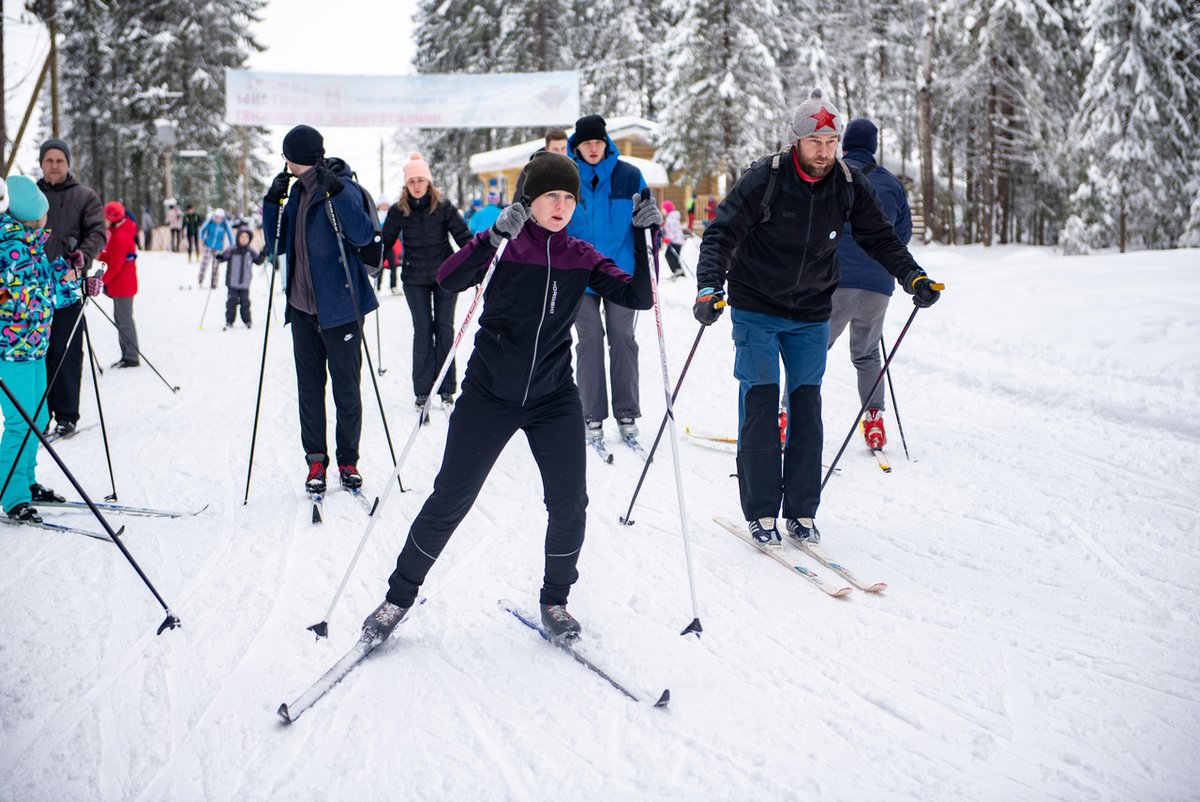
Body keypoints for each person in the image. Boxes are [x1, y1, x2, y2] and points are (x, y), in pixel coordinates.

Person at [360, 152, 661, 645]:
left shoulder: (580, 256)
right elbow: (449, 278)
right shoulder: (505, 247)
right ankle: (398, 597)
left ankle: (555, 601)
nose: (561, 205)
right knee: (451, 498)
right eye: (551, 196)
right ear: (530, 199)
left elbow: (638, 298)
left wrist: (645, 239)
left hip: (553, 397)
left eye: (568, 197)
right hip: (488, 393)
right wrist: (492, 236)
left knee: (570, 503)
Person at [693, 89, 942, 547]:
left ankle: (802, 512)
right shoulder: (764, 179)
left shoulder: (848, 183)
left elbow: (882, 238)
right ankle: (762, 511)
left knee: (807, 409)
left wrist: (914, 277)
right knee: (763, 406)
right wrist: (710, 286)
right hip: (756, 308)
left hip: (811, 311)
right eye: (816, 141)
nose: (824, 150)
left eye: (831, 140)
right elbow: (720, 234)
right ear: (796, 141)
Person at [262, 124, 380, 493]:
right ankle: (316, 461)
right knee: (309, 390)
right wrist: (271, 203)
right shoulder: (295, 193)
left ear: (293, 158)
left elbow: (363, 235)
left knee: (346, 388)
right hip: (301, 309)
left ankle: (348, 460)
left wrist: (339, 192)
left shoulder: (342, 186)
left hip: (342, 308)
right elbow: (275, 245)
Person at [0, 176, 94, 522]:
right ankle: (12, 495)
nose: (48, 217)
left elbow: (46, 286)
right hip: (12, 350)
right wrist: (61, 287)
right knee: (19, 423)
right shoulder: (9, 246)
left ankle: (26, 480)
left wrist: (76, 279)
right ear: (30, 214)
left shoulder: (28, 244)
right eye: (43, 211)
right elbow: (27, 297)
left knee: (37, 418)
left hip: (34, 346)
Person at [827, 118, 913, 451]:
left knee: (810, 351)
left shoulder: (832, 176)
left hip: (834, 280)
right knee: (866, 355)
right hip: (878, 283)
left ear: (845, 144)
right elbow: (900, 237)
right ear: (874, 147)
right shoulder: (891, 183)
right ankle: (874, 420)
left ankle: (786, 416)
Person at [566, 114, 650, 444]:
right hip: (579, 274)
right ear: (577, 145)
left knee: (622, 337)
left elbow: (645, 223)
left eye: (598, 142)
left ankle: (627, 411)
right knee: (589, 339)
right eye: (587, 143)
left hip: (620, 273)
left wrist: (651, 224)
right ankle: (591, 413)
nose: (593, 148)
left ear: (606, 143)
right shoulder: (567, 176)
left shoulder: (629, 175)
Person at [381, 153, 471, 409]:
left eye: (421, 180)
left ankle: (446, 388)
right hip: (414, 278)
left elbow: (463, 237)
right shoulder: (400, 210)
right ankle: (422, 390)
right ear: (406, 185)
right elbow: (386, 240)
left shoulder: (443, 206)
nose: (417, 185)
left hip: (445, 276)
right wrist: (372, 260)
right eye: (412, 182)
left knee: (444, 329)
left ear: (429, 182)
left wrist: (478, 262)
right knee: (422, 331)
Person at [36, 138, 106, 439]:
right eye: (49, 160)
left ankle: (66, 414)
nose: (54, 165)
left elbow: (98, 232)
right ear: (41, 163)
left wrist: (83, 256)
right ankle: (38, 415)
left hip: (67, 285)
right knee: (36, 352)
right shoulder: (30, 195)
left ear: (68, 163)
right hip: (31, 288)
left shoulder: (84, 196)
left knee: (64, 351)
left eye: (59, 160)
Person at [97, 202, 140, 368]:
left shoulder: (120, 237)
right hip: (120, 285)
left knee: (124, 320)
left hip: (123, 286)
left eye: (106, 218)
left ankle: (131, 356)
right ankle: (127, 354)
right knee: (121, 319)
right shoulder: (118, 233)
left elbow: (115, 265)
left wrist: (101, 281)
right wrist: (101, 256)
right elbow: (113, 257)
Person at [215, 228, 265, 329]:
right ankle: (229, 321)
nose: (244, 239)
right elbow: (224, 256)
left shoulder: (250, 251)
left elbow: (258, 261)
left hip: (245, 283)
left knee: (245, 302)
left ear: (249, 239)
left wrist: (263, 254)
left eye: (246, 237)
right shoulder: (232, 249)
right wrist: (220, 257)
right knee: (231, 302)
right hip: (232, 282)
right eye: (242, 237)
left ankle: (247, 321)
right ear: (238, 237)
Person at [511, 127, 569, 200]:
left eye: (563, 148)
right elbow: (518, 201)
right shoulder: (530, 172)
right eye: (555, 149)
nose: (560, 153)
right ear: (547, 149)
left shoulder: (576, 169)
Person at [198, 208, 234, 288]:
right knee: (204, 263)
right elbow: (202, 230)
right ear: (214, 216)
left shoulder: (224, 224)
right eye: (217, 217)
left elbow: (230, 234)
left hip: (218, 248)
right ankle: (200, 280)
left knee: (215, 266)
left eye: (220, 217)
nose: (218, 219)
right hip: (208, 245)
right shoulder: (210, 222)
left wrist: (233, 246)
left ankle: (214, 284)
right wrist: (202, 239)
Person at [373, 195, 400, 295]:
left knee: (393, 266)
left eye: (385, 205)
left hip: (391, 245)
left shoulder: (391, 215)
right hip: (381, 246)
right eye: (382, 205)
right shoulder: (376, 216)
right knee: (380, 267)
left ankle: (393, 286)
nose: (384, 207)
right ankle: (378, 287)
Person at [662, 200, 686, 278]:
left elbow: (672, 230)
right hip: (678, 240)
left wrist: (668, 238)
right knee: (674, 256)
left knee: (668, 255)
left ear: (667, 209)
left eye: (664, 209)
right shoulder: (673, 217)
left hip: (674, 241)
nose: (663, 211)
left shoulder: (670, 219)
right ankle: (680, 272)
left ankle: (677, 270)